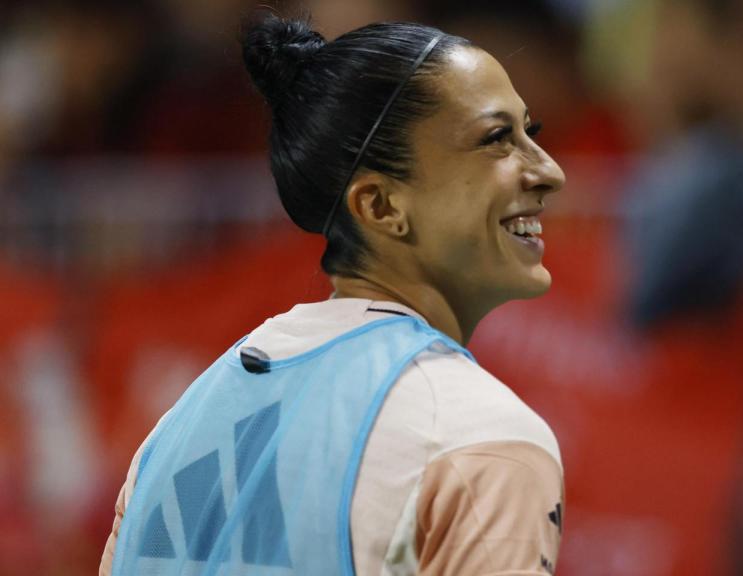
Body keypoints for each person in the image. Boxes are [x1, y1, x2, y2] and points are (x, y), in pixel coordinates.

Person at [98, 12, 566, 576]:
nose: (549, 171)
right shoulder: (483, 439)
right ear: (379, 206)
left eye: (530, 136)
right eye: (497, 139)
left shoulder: (178, 431)